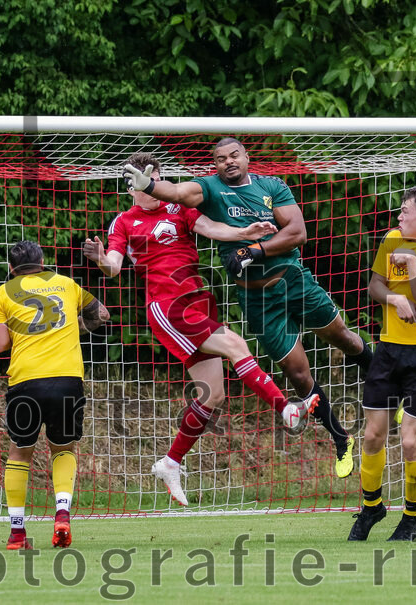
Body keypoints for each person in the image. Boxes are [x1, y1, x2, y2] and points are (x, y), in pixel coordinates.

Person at [122, 139, 373, 478]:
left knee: (343, 337)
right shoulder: (208, 188)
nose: (229, 162)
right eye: (221, 158)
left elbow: (297, 233)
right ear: (215, 164)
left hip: (294, 280)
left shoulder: (271, 186)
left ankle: (382, 383)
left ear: (246, 157)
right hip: (257, 300)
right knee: (298, 375)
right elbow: (179, 193)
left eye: (234, 155)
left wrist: (253, 250)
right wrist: (150, 185)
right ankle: (341, 439)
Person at [84, 152, 318, 506]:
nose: (151, 187)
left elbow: (210, 228)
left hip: (197, 301)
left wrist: (245, 232)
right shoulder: (123, 222)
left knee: (214, 396)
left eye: (155, 179)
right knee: (237, 345)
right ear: (130, 185)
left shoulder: (178, 210)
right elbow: (114, 267)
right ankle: (286, 410)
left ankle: (170, 462)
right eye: (142, 180)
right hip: (168, 306)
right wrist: (101, 258)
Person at [346, 186, 416, 541]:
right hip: (388, 351)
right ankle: (371, 507)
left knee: (411, 442)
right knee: (372, 435)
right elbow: (374, 286)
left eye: (404, 211)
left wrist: (411, 264)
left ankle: (412, 518)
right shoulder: (392, 238)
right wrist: (394, 298)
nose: (398, 217)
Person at [0, 240, 110, 550]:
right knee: (63, 449)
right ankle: (62, 515)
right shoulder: (66, 284)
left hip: (25, 382)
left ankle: (17, 534)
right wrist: (73, 328)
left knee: (20, 453)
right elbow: (102, 315)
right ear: (43, 261)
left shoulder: (3, 294)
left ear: (11, 268)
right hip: (67, 381)